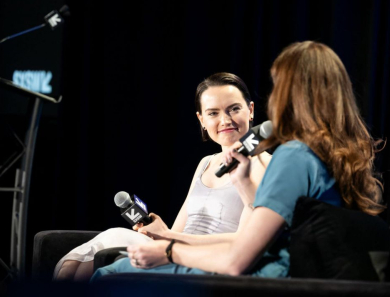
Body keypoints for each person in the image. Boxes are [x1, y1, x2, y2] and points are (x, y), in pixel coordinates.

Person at [91, 41, 386, 279]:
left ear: (290, 94)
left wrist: (168, 253)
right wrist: (244, 183)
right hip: (292, 275)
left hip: (264, 281)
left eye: (277, 86)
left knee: (111, 274)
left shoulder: (293, 158)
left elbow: (238, 260)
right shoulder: (333, 156)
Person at [54, 72, 271, 281]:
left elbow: (245, 242)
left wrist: (168, 238)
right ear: (201, 119)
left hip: (204, 260)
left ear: (250, 110)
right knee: (74, 265)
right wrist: (156, 232)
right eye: (213, 113)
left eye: (234, 109)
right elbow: (175, 230)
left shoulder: (264, 164)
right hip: (173, 248)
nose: (225, 120)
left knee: (104, 253)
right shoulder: (205, 163)